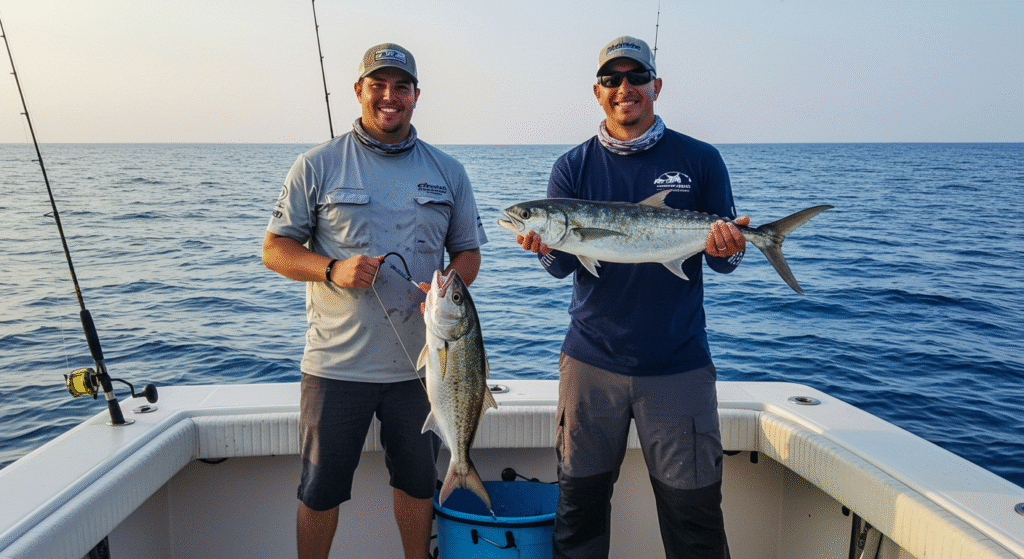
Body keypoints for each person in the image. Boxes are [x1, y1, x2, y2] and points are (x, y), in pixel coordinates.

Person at [513, 36, 747, 558]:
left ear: (656, 87)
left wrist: (731, 246)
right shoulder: (571, 167)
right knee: (579, 511)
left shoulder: (701, 159)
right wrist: (544, 246)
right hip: (590, 363)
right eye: (611, 79)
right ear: (597, 92)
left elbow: (724, 261)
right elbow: (562, 269)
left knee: (695, 518)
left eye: (636, 77)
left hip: (679, 363)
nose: (625, 88)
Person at [262, 43, 487, 559]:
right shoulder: (315, 165)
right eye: (378, 85)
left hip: (423, 369)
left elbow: (469, 253)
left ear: (416, 96)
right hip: (335, 366)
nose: (390, 97)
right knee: (319, 491)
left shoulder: (448, 171)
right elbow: (275, 250)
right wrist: (331, 268)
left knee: (416, 485)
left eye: (401, 87)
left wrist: (450, 280)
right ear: (359, 91)